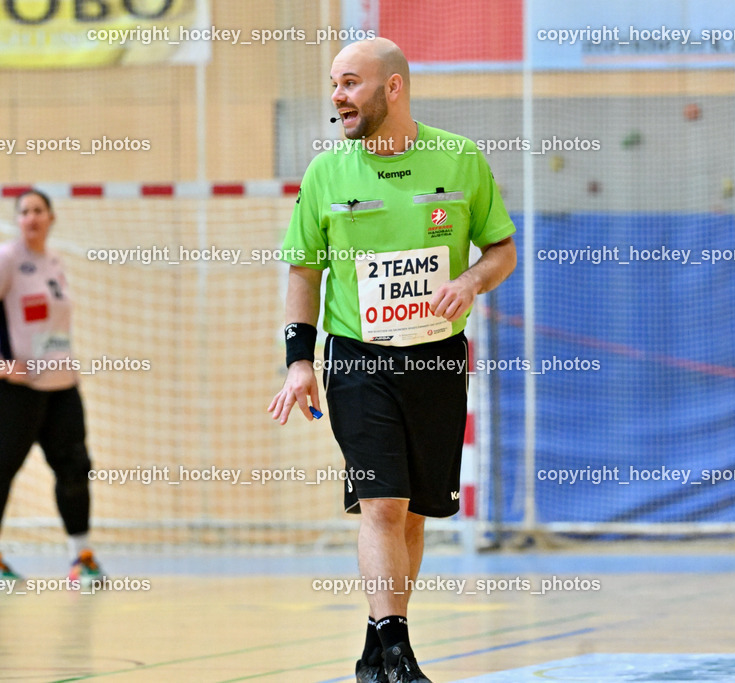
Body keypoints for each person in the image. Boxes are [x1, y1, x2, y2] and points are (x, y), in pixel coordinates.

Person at [268, 37, 517, 683]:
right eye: (334, 84)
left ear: (394, 88)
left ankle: (377, 652)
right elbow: (303, 269)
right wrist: (299, 361)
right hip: (357, 357)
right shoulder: (327, 172)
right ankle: (397, 645)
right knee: (380, 502)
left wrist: (471, 282)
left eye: (350, 83)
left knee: (410, 510)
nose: (337, 97)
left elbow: (502, 251)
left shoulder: (460, 159)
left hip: (435, 358)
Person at [0, 189, 103, 586]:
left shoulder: (54, 262)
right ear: (18, 220)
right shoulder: (5, 259)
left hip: (61, 385)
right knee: (3, 468)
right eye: (24, 212)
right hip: (14, 389)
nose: (32, 217)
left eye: (39, 210)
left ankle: (82, 558)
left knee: (75, 467)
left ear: (51, 218)